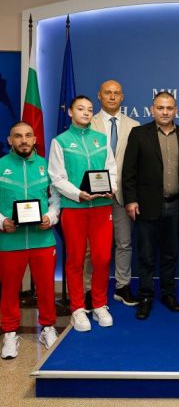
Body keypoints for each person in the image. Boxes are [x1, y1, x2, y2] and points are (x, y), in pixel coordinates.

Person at [49, 95, 117, 332]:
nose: (86, 112)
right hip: (74, 209)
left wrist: (111, 188)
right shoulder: (60, 141)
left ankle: (99, 304)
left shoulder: (101, 139)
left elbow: (111, 169)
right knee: (76, 259)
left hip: (101, 208)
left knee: (102, 258)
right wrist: (78, 194)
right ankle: (77, 308)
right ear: (70, 112)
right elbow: (57, 177)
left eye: (89, 109)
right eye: (80, 109)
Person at [123, 91, 179, 320]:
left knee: (171, 254)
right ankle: (145, 297)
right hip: (146, 205)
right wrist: (131, 199)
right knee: (146, 256)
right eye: (160, 108)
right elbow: (129, 171)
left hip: (176, 205)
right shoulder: (139, 134)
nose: (165, 112)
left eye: (169, 108)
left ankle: (168, 294)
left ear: (176, 111)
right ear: (152, 110)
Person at [0, 122, 59, 358]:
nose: (23, 140)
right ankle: (10, 332)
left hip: (42, 239)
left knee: (46, 287)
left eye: (28, 136)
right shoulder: (1, 166)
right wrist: (2, 221)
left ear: (35, 139)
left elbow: (56, 199)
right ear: (10, 140)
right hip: (10, 241)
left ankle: (48, 327)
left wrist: (51, 217)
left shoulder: (46, 166)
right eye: (18, 136)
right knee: (9, 289)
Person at [82, 80, 140, 307]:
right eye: (108, 93)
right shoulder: (88, 123)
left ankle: (122, 286)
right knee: (91, 248)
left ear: (122, 96)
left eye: (116, 93)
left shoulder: (134, 125)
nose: (112, 97)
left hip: (122, 195)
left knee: (124, 243)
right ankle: (88, 290)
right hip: (94, 196)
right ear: (99, 96)